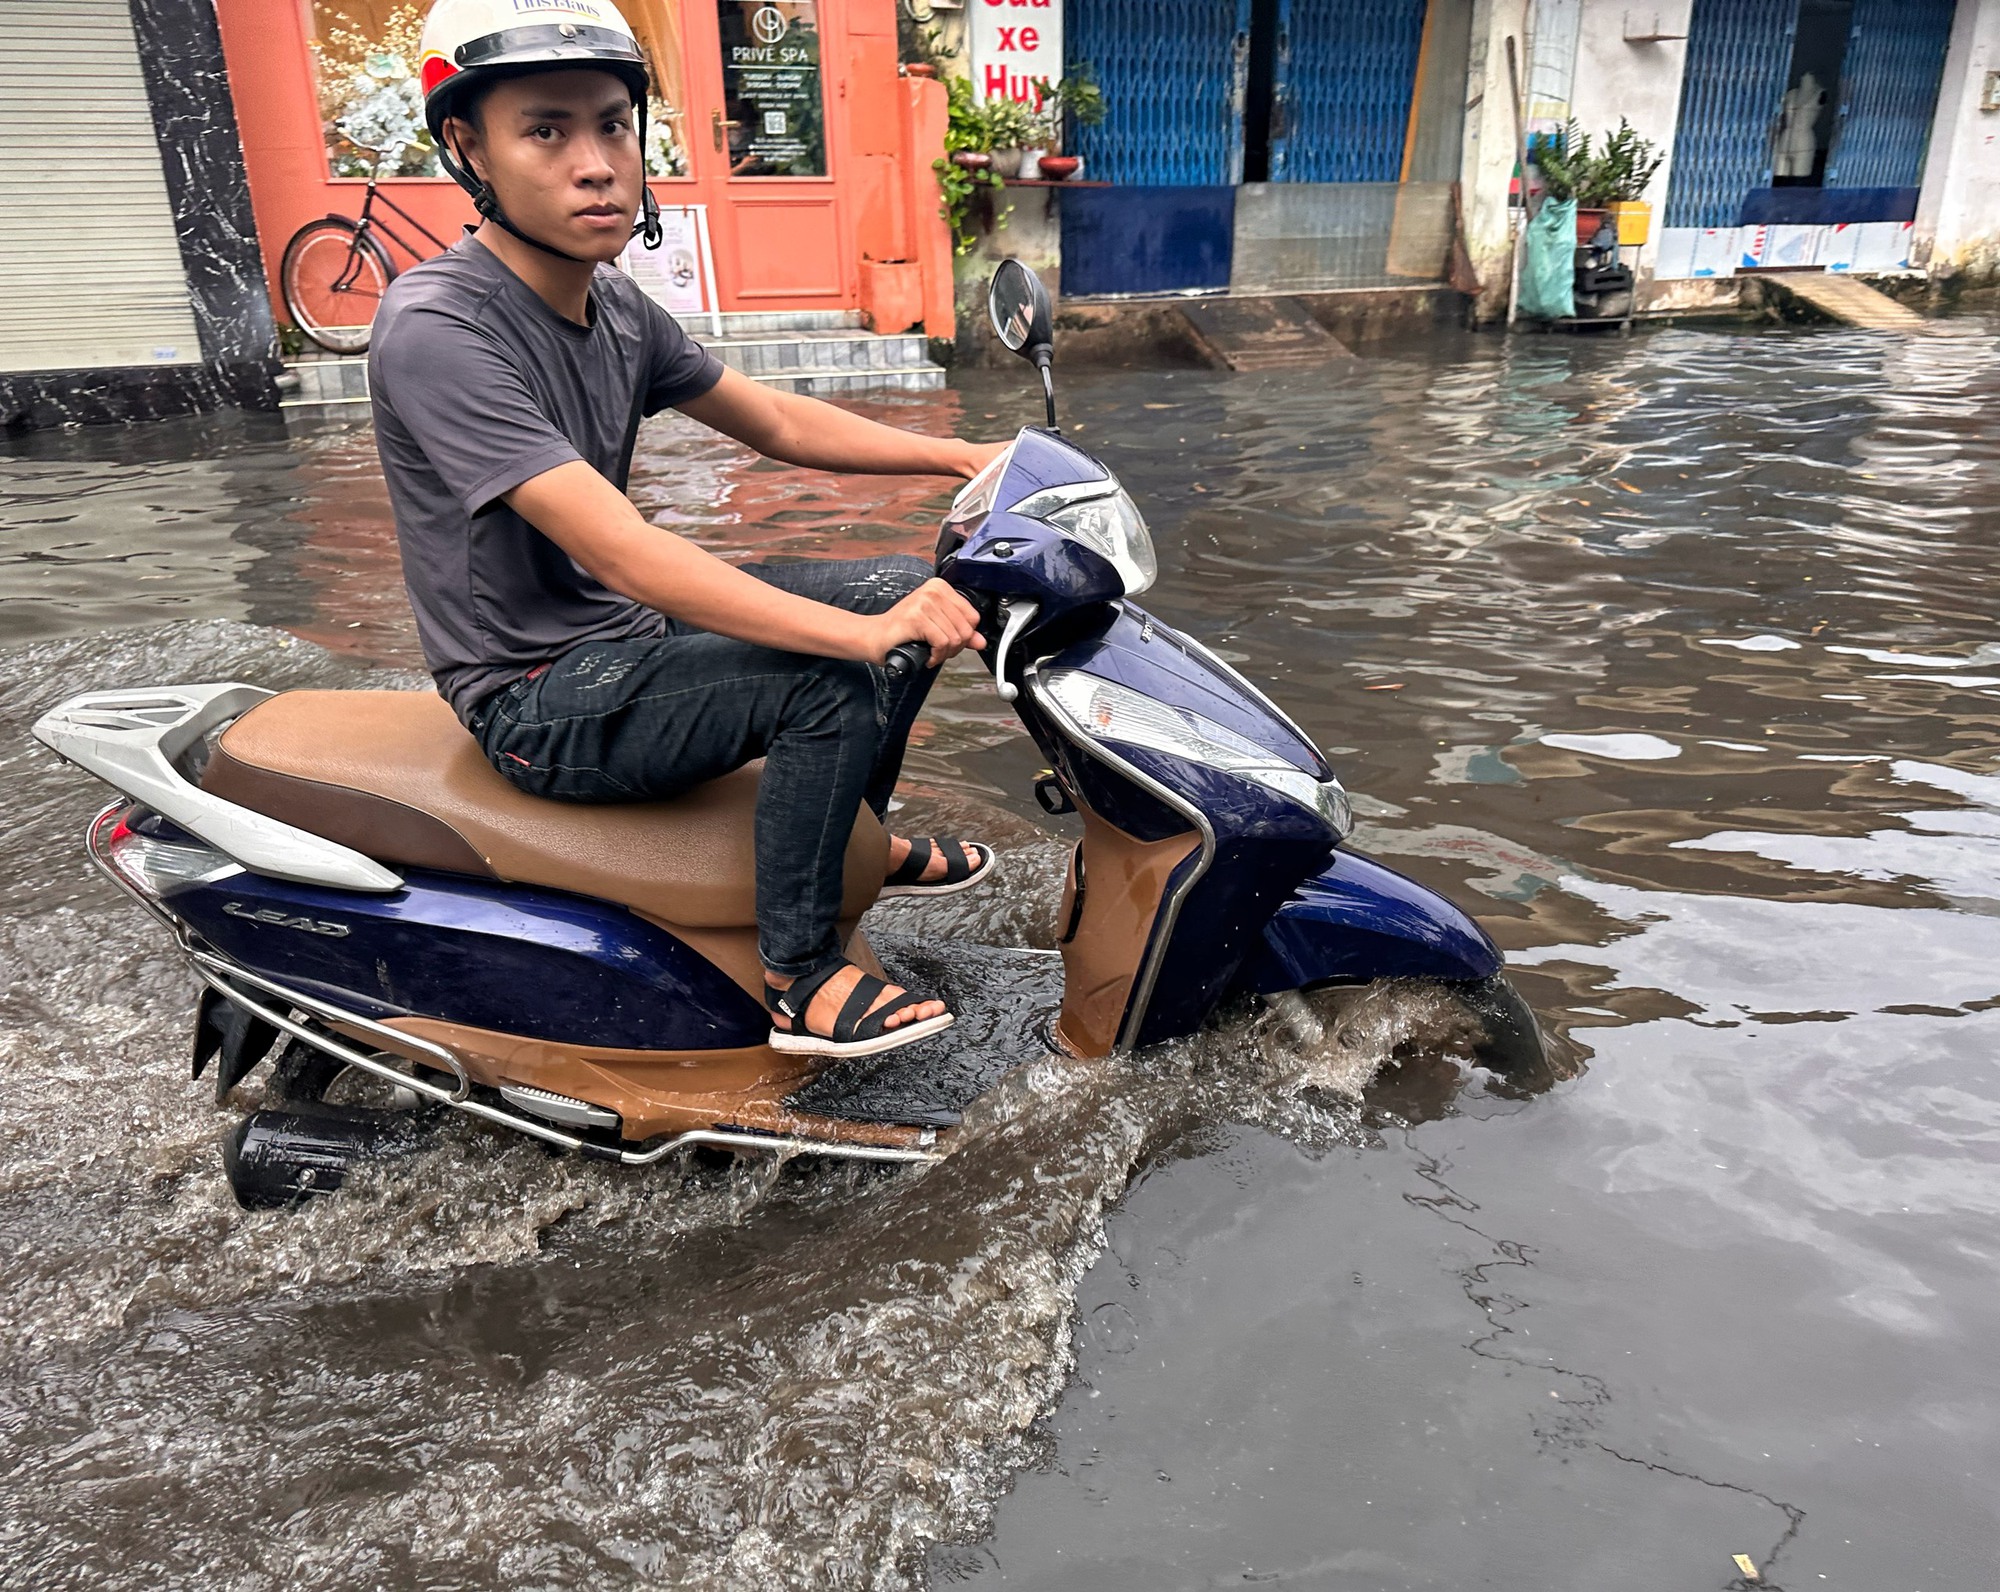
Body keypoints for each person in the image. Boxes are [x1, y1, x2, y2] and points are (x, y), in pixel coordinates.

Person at [370, 0, 1006, 1059]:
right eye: (547, 130)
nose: (595, 165)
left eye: (613, 125)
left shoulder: (616, 308)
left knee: (897, 581)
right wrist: (856, 637)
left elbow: (775, 420)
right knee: (843, 659)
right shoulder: (438, 326)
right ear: (466, 148)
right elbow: (621, 548)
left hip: (622, 643)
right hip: (532, 695)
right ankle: (797, 972)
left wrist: (962, 456)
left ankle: (848, 836)